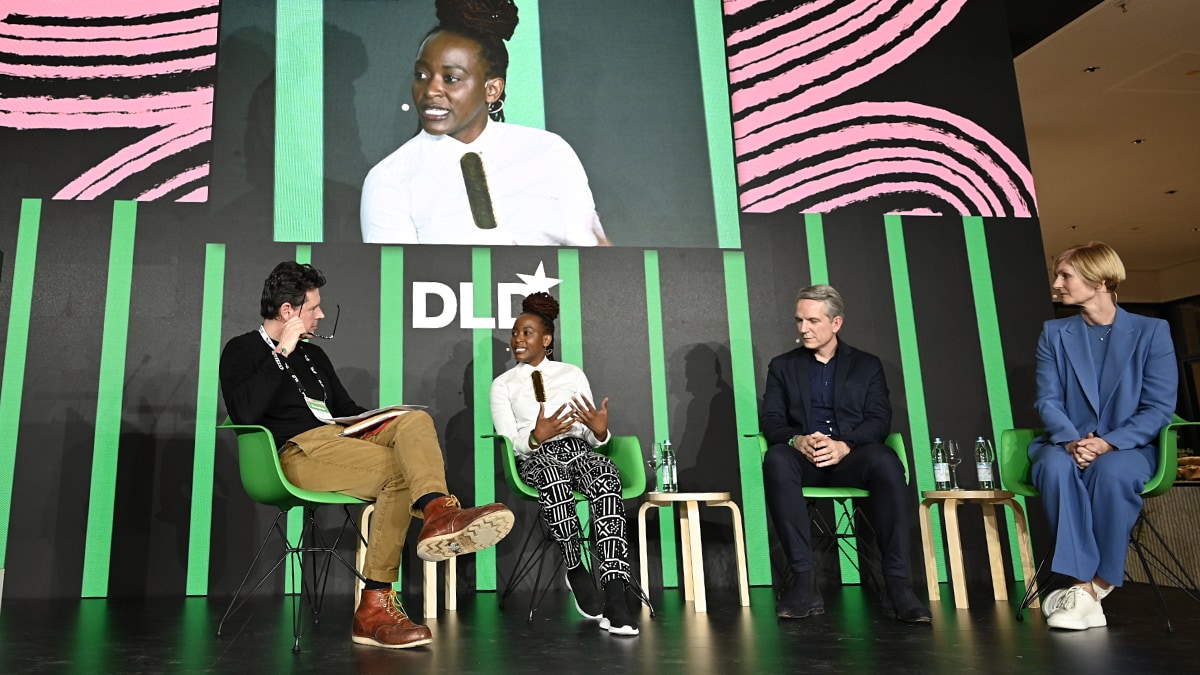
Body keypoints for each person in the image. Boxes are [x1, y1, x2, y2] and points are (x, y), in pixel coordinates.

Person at [219, 261, 515, 649]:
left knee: (415, 421)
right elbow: (244, 412)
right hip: (297, 454)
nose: (321, 314)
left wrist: (380, 420)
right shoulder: (242, 350)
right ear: (288, 312)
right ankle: (374, 606)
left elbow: (345, 408)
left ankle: (439, 512)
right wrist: (282, 352)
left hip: (342, 439)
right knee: (397, 474)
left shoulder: (314, 356)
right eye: (313, 307)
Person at [361, 0, 607, 246]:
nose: (430, 90)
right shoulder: (390, 178)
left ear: (492, 90)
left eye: (451, 78)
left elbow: (591, 262)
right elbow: (395, 279)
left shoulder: (550, 152)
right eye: (422, 75)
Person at [760, 284, 931, 623]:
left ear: (836, 323)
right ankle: (804, 584)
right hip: (804, 459)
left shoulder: (867, 366)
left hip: (851, 456)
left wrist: (844, 445)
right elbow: (771, 420)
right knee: (777, 459)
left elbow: (879, 419)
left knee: (885, 461)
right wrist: (797, 440)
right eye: (799, 320)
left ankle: (898, 586)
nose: (803, 328)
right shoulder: (782, 366)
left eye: (812, 321)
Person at [1030, 242, 1177, 630]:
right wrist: (1072, 441)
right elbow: (1047, 400)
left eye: (1066, 276)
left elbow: (1159, 408)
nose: (1057, 283)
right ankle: (1085, 590)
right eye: (1058, 274)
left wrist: (1108, 442)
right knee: (1051, 466)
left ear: (1101, 281)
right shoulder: (1054, 333)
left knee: (1111, 473)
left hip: (1129, 446)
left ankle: (1094, 587)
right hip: (1067, 444)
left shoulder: (1152, 332)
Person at [489, 292, 639, 635]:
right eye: (514, 333)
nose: (517, 340)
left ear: (546, 339)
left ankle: (615, 594)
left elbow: (590, 432)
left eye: (526, 333)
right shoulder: (503, 385)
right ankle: (575, 567)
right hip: (536, 459)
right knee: (553, 475)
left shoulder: (571, 374)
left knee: (604, 473)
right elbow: (509, 440)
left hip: (578, 451)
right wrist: (536, 436)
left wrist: (600, 433)